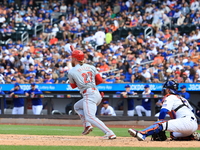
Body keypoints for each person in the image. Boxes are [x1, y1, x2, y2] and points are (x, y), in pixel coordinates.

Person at [68, 50, 116, 139]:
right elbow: (100, 80)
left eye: (72, 58)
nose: (71, 59)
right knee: (77, 106)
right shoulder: (91, 67)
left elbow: (73, 86)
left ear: (75, 59)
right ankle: (87, 125)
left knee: (90, 117)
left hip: (88, 94)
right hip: (96, 93)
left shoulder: (71, 71)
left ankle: (109, 133)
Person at [128, 80, 200, 141]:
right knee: (173, 134)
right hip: (193, 125)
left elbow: (163, 111)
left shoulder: (170, 97)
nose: (164, 90)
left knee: (160, 123)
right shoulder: (182, 98)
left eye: (165, 88)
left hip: (185, 121)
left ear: (168, 90)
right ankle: (191, 136)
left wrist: (160, 123)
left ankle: (142, 134)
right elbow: (192, 111)